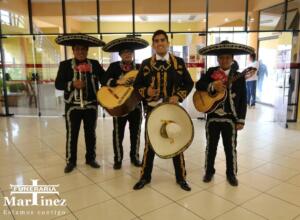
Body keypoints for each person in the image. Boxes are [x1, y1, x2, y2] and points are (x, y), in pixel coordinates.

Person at [133, 30, 194, 191]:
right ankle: (145, 177)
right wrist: (147, 92)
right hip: (152, 110)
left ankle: (181, 178)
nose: (160, 43)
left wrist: (178, 96)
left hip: (173, 110)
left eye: (162, 40)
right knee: (150, 144)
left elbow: (189, 83)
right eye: (156, 41)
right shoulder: (146, 64)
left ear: (167, 43)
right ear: (153, 45)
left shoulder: (179, 63)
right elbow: (137, 86)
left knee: (175, 141)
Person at [196, 40, 253, 186]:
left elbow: (243, 99)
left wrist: (241, 119)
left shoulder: (239, 77)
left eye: (227, 57)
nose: (224, 60)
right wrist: (211, 85)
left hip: (230, 117)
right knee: (211, 146)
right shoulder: (211, 72)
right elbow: (199, 85)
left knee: (230, 147)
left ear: (232, 59)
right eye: (221, 58)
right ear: (217, 59)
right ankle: (209, 171)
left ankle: (231, 173)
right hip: (213, 116)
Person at [55, 34, 106, 173]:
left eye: (83, 49)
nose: (80, 51)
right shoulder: (65, 65)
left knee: (91, 133)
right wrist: (72, 84)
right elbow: (58, 84)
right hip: (72, 106)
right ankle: (71, 161)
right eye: (77, 49)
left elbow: (105, 79)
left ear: (87, 50)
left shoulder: (94, 64)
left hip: (91, 106)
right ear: (73, 50)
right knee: (72, 134)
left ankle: (91, 158)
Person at [102, 37, 149, 169]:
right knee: (118, 133)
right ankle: (118, 159)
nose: (127, 54)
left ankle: (134, 157)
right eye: (125, 52)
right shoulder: (114, 67)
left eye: (130, 52)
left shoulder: (140, 67)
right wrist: (117, 81)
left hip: (136, 106)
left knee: (136, 133)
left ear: (133, 54)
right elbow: (103, 80)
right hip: (119, 106)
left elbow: (145, 86)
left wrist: (145, 106)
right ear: (120, 54)